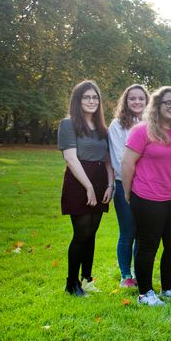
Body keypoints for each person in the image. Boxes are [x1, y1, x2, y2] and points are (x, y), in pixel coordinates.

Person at [122, 86, 171, 306]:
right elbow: (127, 163)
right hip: (147, 197)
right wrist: (128, 193)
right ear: (157, 105)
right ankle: (146, 293)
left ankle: (169, 288)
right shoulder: (142, 130)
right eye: (168, 103)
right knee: (148, 245)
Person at [58, 80, 113, 297]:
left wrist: (109, 185)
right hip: (79, 181)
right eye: (86, 97)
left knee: (92, 234)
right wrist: (89, 187)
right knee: (81, 234)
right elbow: (70, 158)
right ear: (78, 100)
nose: (91, 101)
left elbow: (108, 159)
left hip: (101, 180)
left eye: (95, 97)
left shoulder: (102, 128)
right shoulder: (68, 124)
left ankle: (87, 279)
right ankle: (72, 283)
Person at [108, 84, 149, 288]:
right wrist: (130, 182)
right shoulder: (117, 125)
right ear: (126, 101)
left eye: (141, 98)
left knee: (143, 233)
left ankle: (140, 273)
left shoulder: (153, 123)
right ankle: (126, 275)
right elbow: (118, 158)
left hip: (147, 186)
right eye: (132, 98)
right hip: (123, 184)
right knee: (128, 231)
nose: (137, 102)